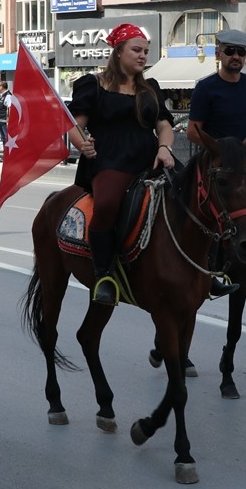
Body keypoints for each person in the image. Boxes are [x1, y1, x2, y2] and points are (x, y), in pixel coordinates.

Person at [66, 22, 176, 305]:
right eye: (136, 50)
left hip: (150, 156)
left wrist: (165, 147)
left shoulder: (151, 87)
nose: (143, 56)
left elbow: (164, 124)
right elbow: (74, 125)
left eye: (146, 51)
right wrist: (82, 144)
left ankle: (209, 268)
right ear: (118, 52)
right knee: (106, 205)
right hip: (110, 159)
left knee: (197, 191)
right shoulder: (93, 84)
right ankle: (104, 274)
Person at [186, 29, 246, 295]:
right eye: (230, 51)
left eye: (241, 52)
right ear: (219, 54)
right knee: (211, 207)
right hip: (216, 161)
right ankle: (211, 269)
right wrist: (220, 148)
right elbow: (192, 131)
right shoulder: (206, 87)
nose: (236, 56)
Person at [0, 81, 11, 152]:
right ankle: (5, 153)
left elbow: (10, 107)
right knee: (3, 138)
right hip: (0, 120)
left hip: (4, 121)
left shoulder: (8, 96)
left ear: (3, 87)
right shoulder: (2, 96)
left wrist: (8, 118)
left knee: (7, 138)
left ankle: (8, 154)